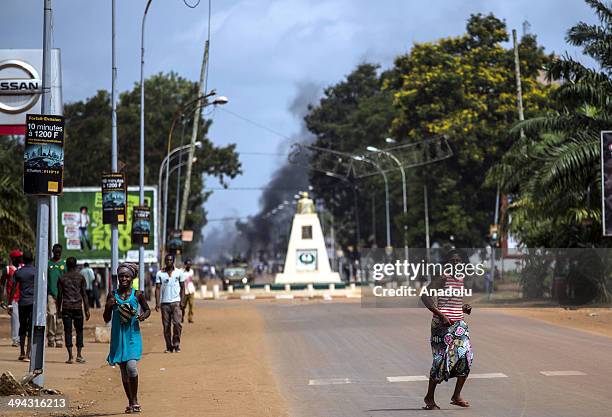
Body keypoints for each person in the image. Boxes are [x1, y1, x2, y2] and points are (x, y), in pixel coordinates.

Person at [420, 249, 473, 410]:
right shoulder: (443, 276)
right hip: (442, 326)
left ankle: (456, 396)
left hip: (459, 325)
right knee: (441, 360)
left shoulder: (461, 278)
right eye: (453, 260)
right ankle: (429, 397)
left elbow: (452, 301)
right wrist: (441, 315)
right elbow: (425, 296)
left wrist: (463, 308)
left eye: (458, 261)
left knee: (466, 357)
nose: (456, 263)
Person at [104, 262, 151, 414]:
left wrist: (142, 316)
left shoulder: (138, 294)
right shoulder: (112, 295)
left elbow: (147, 310)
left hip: (132, 335)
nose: (123, 278)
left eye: (127, 276)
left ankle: (135, 399)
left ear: (132, 278)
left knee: (131, 367)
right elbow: (106, 318)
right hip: (118, 336)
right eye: (121, 276)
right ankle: (130, 402)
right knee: (124, 371)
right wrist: (108, 307)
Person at [8, 251, 36, 361]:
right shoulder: (36, 271)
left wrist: (10, 303)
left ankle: (22, 353)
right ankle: (29, 353)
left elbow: (13, 288)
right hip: (33, 303)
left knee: (22, 327)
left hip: (22, 302)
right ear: (32, 259)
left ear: (23, 260)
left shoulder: (19, 272)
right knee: (30, 328)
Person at [155, 254, 185, 353]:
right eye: (167, 260)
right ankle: (169, 346)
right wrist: (157, 303)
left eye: (170, 260)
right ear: (165, 261)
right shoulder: (160, 273)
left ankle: (176, 344)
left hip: (176, 302)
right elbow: (158, 288)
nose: (168, 262)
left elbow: (183, 287)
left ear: (173, 261)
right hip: (165, 304)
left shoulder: (179, 273)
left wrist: (182, 300)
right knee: (166, 326)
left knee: (177, 324)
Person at [1, 249, 23, 347]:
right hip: (13, 298)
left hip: (23, 297)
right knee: (15, 319)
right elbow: (1, 284)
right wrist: (1, 299)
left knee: (23, 319)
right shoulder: (8, 269)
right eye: (19, 258)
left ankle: (20, 338)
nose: (21, 259)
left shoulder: (23, 267)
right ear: (14, 259)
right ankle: (16, 339)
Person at [47, 243, 65, 348]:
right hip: (51, 294)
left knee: (60, 316)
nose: (57, 254)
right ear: (53, 252)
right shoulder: (48, 264)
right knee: (51, 315)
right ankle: (50, 338)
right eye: (56, 252)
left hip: (62, 295)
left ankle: (59, 338)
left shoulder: (64, 264)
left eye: (59, 252)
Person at [182, 259, 196, 324]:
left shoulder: (191, 271)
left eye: (189, 265)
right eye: (187, 264)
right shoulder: (181, 272)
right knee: (182, 306)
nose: (188, 266)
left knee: (191, 305)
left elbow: (192, 279)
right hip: (184, 291)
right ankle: (181, 317)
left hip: (191, 290)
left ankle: (190, 318)